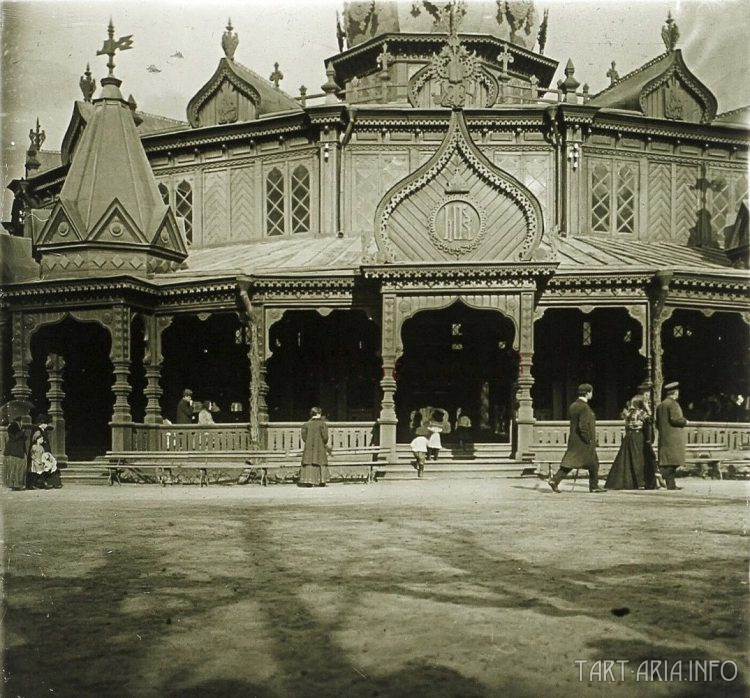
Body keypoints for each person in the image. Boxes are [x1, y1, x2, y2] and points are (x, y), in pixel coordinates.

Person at [549, 384, 605, 493]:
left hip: (574, 440)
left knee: (576, 463)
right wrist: (588, 439)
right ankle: (593, 487)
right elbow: (583, 426)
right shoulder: (584, 407)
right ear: (588, 392)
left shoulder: (573, 405)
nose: (591, 394)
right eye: (591, 392)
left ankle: (555, 480)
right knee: (591, 463)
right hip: (583, 441)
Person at [605, 391, 655, 490]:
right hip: (637, 436)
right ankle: (640, 482)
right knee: (638, 458)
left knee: (626, 459)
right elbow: (650, 419)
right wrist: (648, 409)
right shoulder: (640, 413)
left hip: (629, 436)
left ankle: (624, 482)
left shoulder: (629, 412)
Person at [655, 381, 688, 490]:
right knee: (673, 461)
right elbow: (675, 419)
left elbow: (657, 423)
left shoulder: (661, 405)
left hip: (664, 436)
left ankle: (670, 484)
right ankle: (659, 474)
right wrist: (684, 422)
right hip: (674, 437)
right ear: (675, 392)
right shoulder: (673, 404)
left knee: (668, 461)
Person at [299, 406, 329, 487]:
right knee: (320, 461)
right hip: (320, 447)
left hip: (309, 447)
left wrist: (309, 442)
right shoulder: (322, 424)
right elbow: (325, 437)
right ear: (319, 414)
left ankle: (308, 480)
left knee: (309, 461)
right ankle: (321, 480)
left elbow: (304, 437)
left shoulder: (306, 424)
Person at [28, 416, 61, 489]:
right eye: (46, 423)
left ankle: (47, 483)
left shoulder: (42, 430)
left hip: (43, 452)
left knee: (43, 470)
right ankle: (42, 483)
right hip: (39, 454)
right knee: (39, 471)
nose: (47, 425)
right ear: (42, 424)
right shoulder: (38, 431)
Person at [3, 421, 28, 490]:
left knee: (12, 470)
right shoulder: (20, 435)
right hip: (18, 454)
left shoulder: (10, 436)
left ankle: (13, 484)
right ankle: (17, 484)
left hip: (11, 453)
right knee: (18, 470)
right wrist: (23, 432)